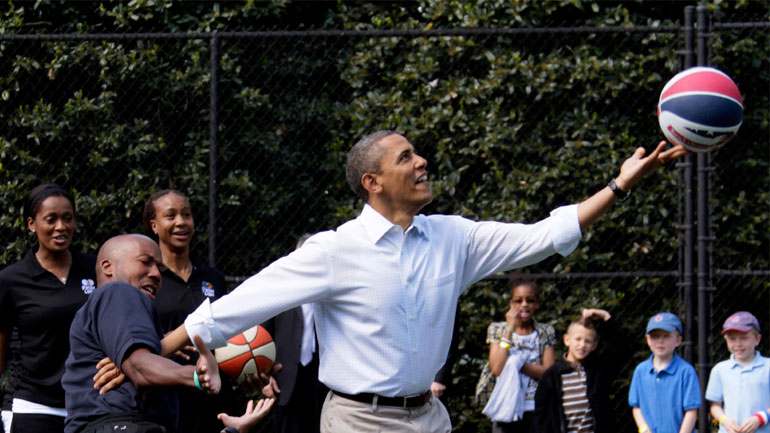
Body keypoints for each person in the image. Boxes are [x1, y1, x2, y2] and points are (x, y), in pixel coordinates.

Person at [165, 130, 687, 432]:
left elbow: (544, 235)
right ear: (373, 183)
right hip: (358, 422)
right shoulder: (333, 250)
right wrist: (144, 353)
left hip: (430, 418)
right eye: (406, 158)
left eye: (417, 154)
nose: (422, 161)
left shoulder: (453, 238)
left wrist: (619, 185)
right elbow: (237, 306)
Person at [62, 234, 272, 433]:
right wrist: (196, 376)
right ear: (108, 267)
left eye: (159, 268)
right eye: (145, 262)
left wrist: (234, 429)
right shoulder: (118, 291)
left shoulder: (111, 317)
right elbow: (140, 367)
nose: (155, 274)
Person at [0, 184, 97, 433]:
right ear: (32, 224)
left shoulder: (95, 269)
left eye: (67, 218)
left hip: (88, 404)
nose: (61, 227)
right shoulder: (11, 280)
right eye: (50, 219)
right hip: (33, 405)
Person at [142, 189, 228, 433]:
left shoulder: (213, 279)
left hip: (210, 397)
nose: (180, 222)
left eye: (186, 215)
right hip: (163, 398)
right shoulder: (147, 280)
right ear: (154, 225)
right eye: (170, 216)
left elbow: (228, 339)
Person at [260, 234, 328, 433]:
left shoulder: (332, 295)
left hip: (324, 375)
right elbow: (261, 336)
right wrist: (264, 374)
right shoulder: (279, 291)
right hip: (286, 377)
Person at [534, 308, 630, 433]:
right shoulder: (551, 376)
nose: (582, 344)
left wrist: (606, 317)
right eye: (578, 339)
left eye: (588, 341)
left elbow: (621, 348)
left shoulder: (598, 370)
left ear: (594, 345)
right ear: (567, 340)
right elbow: (542, 417)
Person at [477, 279, 554, 433]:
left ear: (537, 304)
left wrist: (517, 363)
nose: (524, 304)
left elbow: (548, 373)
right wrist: (509, 329)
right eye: (518, 300)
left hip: (534, 406)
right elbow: (498, 368)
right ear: (511, 303)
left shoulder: (546, 331)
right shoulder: (497, 329)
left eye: (530, 300)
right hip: (505, 405)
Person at [628, 312, 700, 433]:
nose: (660, 341)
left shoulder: (686, 372)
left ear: (678, 340)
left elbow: (691, 411)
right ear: (648, 340)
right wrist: (644, 430)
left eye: (666, 336)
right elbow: (636, 407)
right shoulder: (640, 371)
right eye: (655, 336)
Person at [706, 311, 770, 433]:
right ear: (725, 340)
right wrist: (724, 420)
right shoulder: (719, 370)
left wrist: (761, 418)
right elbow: (715, 406)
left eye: (744, 338)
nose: (738, 344)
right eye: (732, 339)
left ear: (757, 339)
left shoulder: (768, 367)